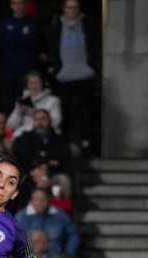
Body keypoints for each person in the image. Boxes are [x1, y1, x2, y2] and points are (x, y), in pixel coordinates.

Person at [49, 0, 99, 150]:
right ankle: (65, 142)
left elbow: (93, 45)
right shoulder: (57, 25)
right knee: (65, 111)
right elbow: (53, 46)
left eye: (75, 7)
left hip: (84, 74)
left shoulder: (86, 24)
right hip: (64, 75)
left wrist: (91, 66)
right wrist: (57, 68)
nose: (73, 11)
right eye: (70, 7)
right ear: (64, 9)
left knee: (86, 110)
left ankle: (86, 141)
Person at [0, 0, 45, 114]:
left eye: (20, 3)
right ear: (11, 5)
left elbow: (40, 44)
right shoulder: (5, 23)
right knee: (9, 105)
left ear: (25, 5)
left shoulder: (33, 23)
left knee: (27, 105)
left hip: (27, 71)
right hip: (8, 71)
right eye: (15, 3)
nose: (18, 6)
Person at [14, 188, 79, 258]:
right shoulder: (21, 217)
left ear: (49, 201)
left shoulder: (60, 215)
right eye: (36, 199)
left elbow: (73, 234)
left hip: (55, 257)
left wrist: (68, 253)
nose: (39, 203)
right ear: (31, 201)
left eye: (43, 199)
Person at [7, 71, 62, 139]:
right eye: (31, 83)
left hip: (46, 133)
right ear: (27, 85)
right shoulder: (22, 101)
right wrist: (18, 113)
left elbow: (56, 122)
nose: (34, 86)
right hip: (26, 134)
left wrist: (33, 113)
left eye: (36, 83)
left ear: (42, 83)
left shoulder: (53, 100)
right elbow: (11, 125)